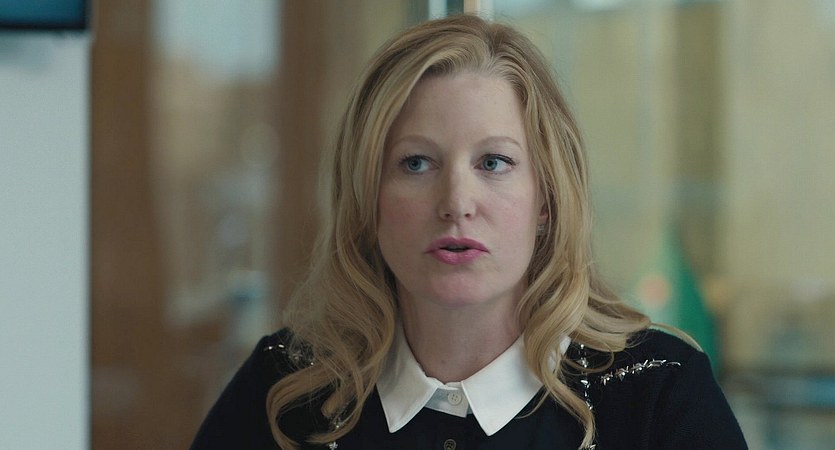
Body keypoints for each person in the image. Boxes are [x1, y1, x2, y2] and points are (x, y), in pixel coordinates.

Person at [191, 14, 747, 450]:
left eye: (494, 162)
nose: (456, 203)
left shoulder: (660, 394)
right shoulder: (285, 388)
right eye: (416, 163)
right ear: (367, 198)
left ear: (547, 199)